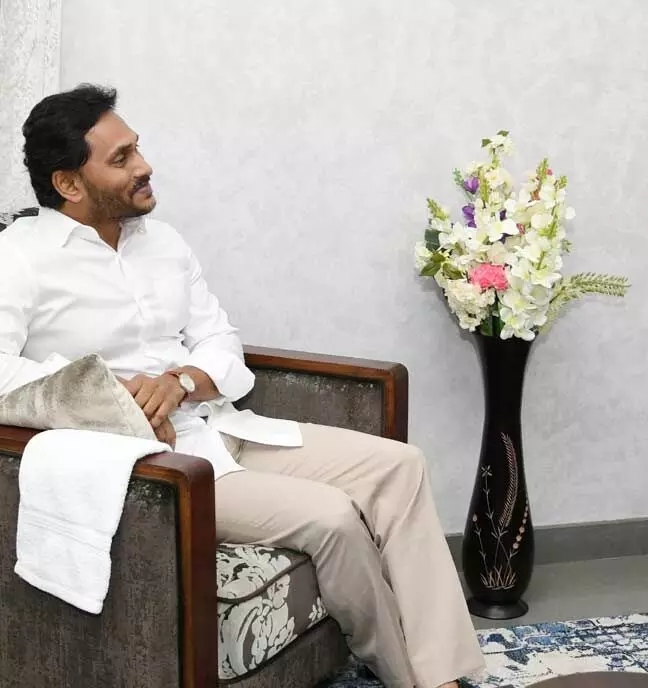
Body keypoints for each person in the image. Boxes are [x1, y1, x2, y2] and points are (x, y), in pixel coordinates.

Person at [0, 85, 485, 688]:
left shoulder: (165, 244)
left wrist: (180, 380)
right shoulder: (18, 258)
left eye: (138, 149)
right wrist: (112, 390)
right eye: (121, 158)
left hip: (219, 425)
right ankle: (411, 679)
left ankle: (444, 671)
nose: (144, 166)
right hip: (152, 464)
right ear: (69, 183)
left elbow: (221, 342)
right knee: (334, 518)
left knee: (401, 466)